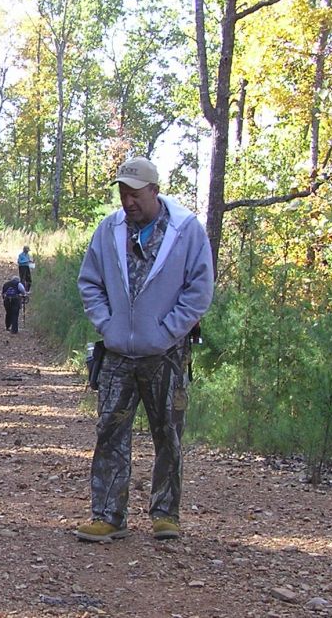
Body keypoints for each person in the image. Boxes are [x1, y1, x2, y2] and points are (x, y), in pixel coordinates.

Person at [76, 157, 214, 543]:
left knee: (168, 433)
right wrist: (108, 324)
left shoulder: (186, 231)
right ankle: (108, 516)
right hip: (118, 353)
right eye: (123, 193)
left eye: (134, 194)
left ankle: (166, 514)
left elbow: (199, 290)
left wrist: (168, 331)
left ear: (154, 190)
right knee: (110, 432)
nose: (128, 201)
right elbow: (89, 282)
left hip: (166, 353)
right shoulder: (109, 230)